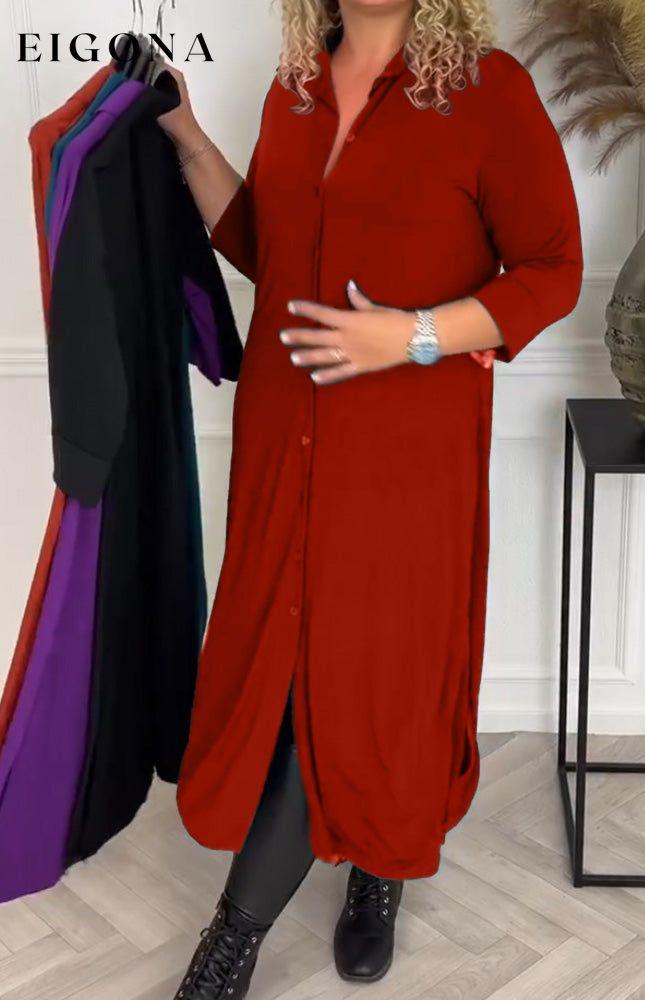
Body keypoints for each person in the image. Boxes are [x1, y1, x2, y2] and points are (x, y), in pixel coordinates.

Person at [158, 0, 582, 995]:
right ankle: (363, 852)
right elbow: (268, 244)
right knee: (288, 671)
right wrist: (185, 134)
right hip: (284, 444)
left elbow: (553, 271)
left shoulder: (486, 91)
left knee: (372, 676)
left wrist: (413, 335)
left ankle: (251, 930)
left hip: (403, 459)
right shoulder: (295, 89)